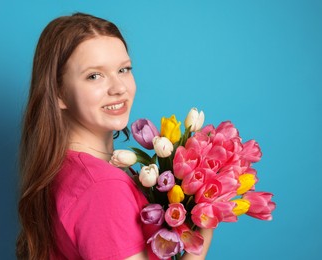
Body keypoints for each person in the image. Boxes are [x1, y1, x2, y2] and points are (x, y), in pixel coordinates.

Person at [16, 13, 213, 260]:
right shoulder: (103, 187)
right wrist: (205, 219)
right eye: (94, 76)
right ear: (58, 93)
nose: (119, 87)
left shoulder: (66, 168)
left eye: (123, 69)